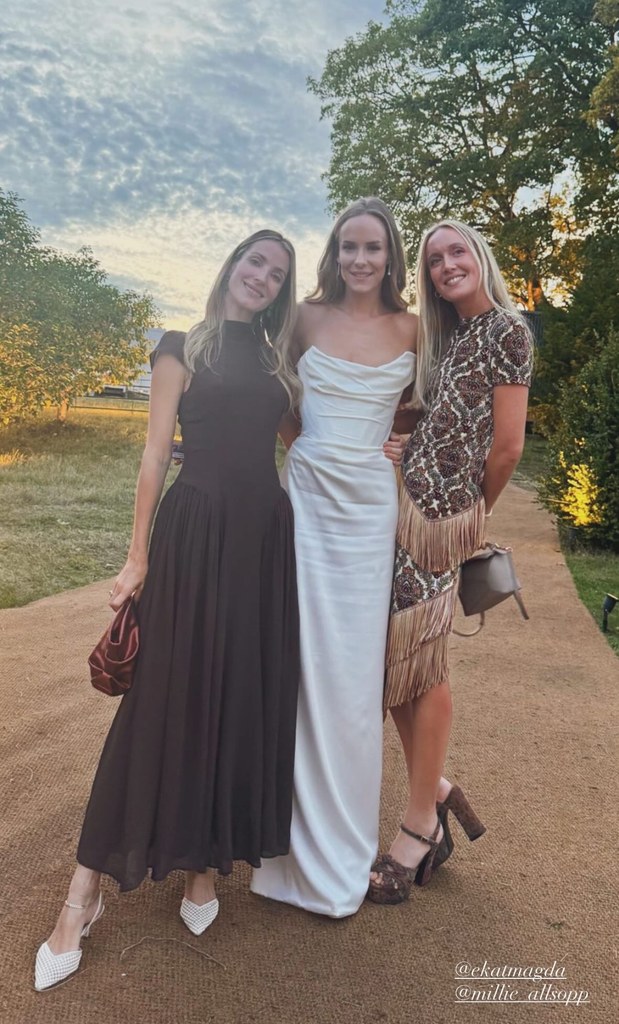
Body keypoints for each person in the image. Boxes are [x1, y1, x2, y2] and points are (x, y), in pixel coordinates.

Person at [34, 230, 301, 990]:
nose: (263, 278)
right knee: (160, 702)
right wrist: (137, 555)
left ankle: (202, 867)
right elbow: (155, 453)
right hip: (194, 534)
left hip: (262, 545)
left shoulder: (281, 362)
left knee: (237, 698)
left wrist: (377, 449)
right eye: (255, 262)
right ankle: (80, 897)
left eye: (276, 273)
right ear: (232, 267)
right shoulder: (183, 345)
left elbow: (301, 440)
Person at [250, 197, 418, 918]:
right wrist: (309, 445)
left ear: (390, 257)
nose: (358, 259)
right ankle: (276, 852)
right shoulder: (303, 318)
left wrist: (404, 443)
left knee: (351, 683)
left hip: (370, 514)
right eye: (347, 246)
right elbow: (277, 401)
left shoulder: (415, 327)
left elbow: (432, 409)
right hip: (309, 503)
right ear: (333, 252)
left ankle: (339, 857)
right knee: (297, 667)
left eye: (371, 248)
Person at [368, 219, 534, 904]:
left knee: (424, 665)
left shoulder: (507, 330)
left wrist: (471, 518)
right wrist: (403, 445)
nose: (444, 266)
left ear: (479, 256)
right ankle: (433, 790)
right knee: (396, 663)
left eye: (455, 252)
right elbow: (431, 416)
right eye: (433, 260)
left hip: (441, 526)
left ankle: (418, 826)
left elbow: (506, 447)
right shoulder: (444, 338)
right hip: (400, 515)